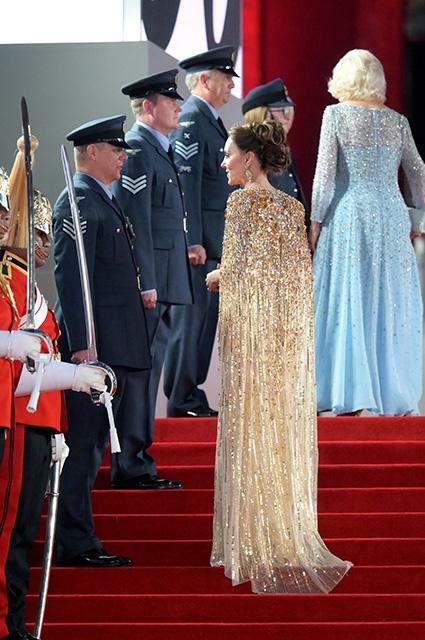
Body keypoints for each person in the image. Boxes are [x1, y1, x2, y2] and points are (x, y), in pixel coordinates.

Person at [207, 121, 351, 593]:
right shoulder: (291, 207)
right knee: (277, 429)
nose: (223, 163)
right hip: (282, 343)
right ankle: (282, 533)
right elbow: (295, 277)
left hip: (250, 342)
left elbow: (241, 273)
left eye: (228, 154)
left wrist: (218, 277)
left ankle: (251, 539)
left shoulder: (241, 204)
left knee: (249, 428)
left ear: (249, 159)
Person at [0, 136, 107, 640]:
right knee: (8, 529)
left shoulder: (27, 288)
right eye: (33, 232)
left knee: (22, 530)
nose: (40, 243)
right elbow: (18, 365)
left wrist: (74, 382)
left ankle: (13, 622)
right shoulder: (8, 282)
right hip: (13, 417)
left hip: (37, 419)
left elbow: (40, 360)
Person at [53, 116, 152, 567]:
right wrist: (82, 345)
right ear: (92, 152)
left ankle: (81, 537)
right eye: (115, 150)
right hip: (95, 348)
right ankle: (75, 542)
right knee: (83, 446)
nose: (123, 157)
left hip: (115, 343)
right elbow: (71, 277)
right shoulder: (77, 200)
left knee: (92, 446)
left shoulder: (102, 199)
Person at [309, 49, 425, 416]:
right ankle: (393, 394)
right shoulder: (398, 121)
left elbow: (324, 177)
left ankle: (352, 394)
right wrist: (417, 217)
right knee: (389, 301)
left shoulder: (335, 115)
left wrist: (315, 222)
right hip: (391, 216)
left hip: (350, 216)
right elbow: (419, 172)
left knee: (351, 299)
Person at [112, 70, 192, 487]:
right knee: (140, 375)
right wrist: (146, 281)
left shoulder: (158, 149)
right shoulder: (139, 151)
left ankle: (137, 458)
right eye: (169, 100)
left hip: (162, 283)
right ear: (148, 107)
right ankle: (131, 463)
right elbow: (137, 223)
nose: (179, 106)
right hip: (150, 286)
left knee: (148, 374)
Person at [164, 46, 237, 418]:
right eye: (226, 78)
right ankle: (181, 397)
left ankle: (190, 394)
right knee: (190, 322)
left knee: (204, 322)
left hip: (211, 243)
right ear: (205, 80)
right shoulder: (193, 118)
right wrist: (192, 238)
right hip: (200, 244)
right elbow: (187, 184)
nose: (231, 86)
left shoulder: (209, 119)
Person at [242, 77, 308, 214]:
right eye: (283, 111)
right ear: (265, 115)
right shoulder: (252, 153)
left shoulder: (282, 150)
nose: (288, 118)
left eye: (290, 110)